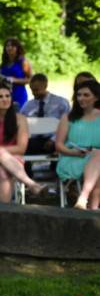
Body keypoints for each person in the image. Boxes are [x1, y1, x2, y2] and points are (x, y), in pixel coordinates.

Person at [0, 80, 45, 203]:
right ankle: (31, 183)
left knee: (4, 171)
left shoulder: (20, 119)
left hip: (13, 161)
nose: (5, 99)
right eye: (0, 97)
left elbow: (21, 148)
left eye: (7, 96)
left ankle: (4, 211)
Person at [55, 80, 100, 210]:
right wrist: (74, 152)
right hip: (73, 158)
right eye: (79, 95)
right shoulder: (68, 117)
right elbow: (58, 145)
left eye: (86, 95)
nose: (81, 98)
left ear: (96, 97)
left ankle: (84, 201)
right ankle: (92, 210)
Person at [21, 73, 70, 158]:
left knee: (61, 145)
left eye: (36, 90)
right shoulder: (28, 106)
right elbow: (20, 121)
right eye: (32, 90)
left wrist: (53, 139)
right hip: (34, 139)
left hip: (55, 138)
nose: (33, 93)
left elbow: (68, 124)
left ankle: (56, 167)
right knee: (23, 146)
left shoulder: (61, 103)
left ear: (45, 86)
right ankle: (26, 169)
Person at [0, 37, 32, 110]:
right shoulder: (4, 63)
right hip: (4, 95)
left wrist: (14, 80)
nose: (9, 48)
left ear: (17, 48)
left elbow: (30, 79)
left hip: (18, 95)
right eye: (7, 46)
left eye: (13, 46)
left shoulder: (23, 62)